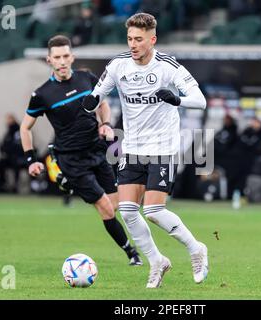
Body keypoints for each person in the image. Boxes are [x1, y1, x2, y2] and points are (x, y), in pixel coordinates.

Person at [82, 13, 209, 288]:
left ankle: (196, 248)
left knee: (152, 211)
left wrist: (177, 99)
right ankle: (157, 262)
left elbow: (200, 101)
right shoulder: (118, 65)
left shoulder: (168, 67)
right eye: (129, 38)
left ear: (152, 39)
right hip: (132, 148)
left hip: (162, 147)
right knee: (127, 211)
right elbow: (97, 93)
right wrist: (89, 102)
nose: (133, 44)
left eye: (139, 39)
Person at [19, 35, 142, 266]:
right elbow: (25, 127)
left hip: (96, 150)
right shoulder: (42, 94)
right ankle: (131, 253)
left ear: (72, 57)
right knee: (105, 208)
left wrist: (105, 124)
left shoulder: (87, 78)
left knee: (117, 206)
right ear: (49, 60)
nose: (62, 61)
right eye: (57, 57)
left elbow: (103, 103)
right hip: (71, 159)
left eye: (66, 56)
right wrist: (31, 160)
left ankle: (69, 186)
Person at [0, 114, 25, 193]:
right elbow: (4, 144)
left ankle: (15, 185)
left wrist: (9, 149)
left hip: (18, 157)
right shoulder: (8, 132)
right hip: (10, 157)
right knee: (0, 163)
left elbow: (18, 145)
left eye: (9, 120)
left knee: (16, 164)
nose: (8, 122)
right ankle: (3, 184)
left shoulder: (18, 131)